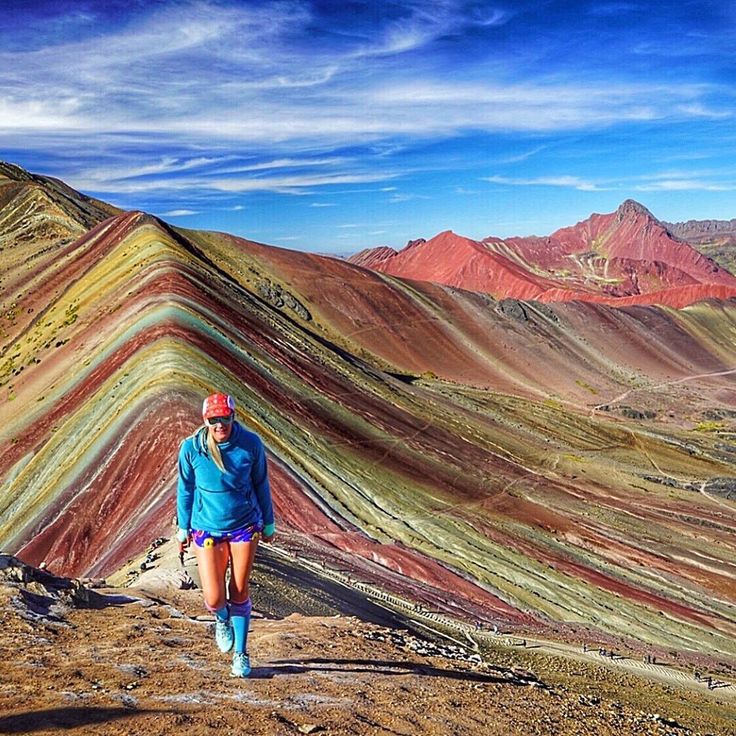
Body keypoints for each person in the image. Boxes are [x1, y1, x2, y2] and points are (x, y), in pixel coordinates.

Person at [176, 392, 275, 677]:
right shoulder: (192, 449)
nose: (220, 425)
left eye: (225, 418)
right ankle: (221, 618)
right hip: (206, 527)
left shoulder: (250, 444)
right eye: (214, 420)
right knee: (215, 596)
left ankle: (241, 655)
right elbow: (184, 490)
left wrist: (268, 523)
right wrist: (183, 529)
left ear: (233, 416)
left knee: (239, 590)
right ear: (205, 420)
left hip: (244, 526)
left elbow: (261, 483)